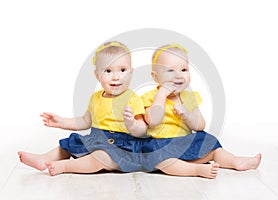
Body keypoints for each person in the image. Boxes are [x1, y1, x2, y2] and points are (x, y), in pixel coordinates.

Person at [18, 41, 148, 176]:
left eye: (122, 70)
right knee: (70, 143)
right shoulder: (96, 98)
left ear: (131, 73)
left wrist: (132, 124)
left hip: (122, 147)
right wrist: (62, 122)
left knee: (101, 157)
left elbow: (142, 128)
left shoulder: (132, 98)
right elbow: (85, 121)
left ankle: (66, 166)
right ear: (97, 75)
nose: (116, 77)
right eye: (108, 71)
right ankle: (44, 159)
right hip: (97, 139)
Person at [141, 44, 262, 179]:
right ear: (156, 77)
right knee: (157, 157)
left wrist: (187, 115)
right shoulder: (150, 97)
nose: (179, 75)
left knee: (210, 143)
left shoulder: (189, 97)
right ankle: (195, 169)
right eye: (170, 71)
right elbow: (152, 121)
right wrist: (162, 95)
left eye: (184, 69)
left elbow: (200, 126)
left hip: (184, 143)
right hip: (160, 145)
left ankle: (235, 161)